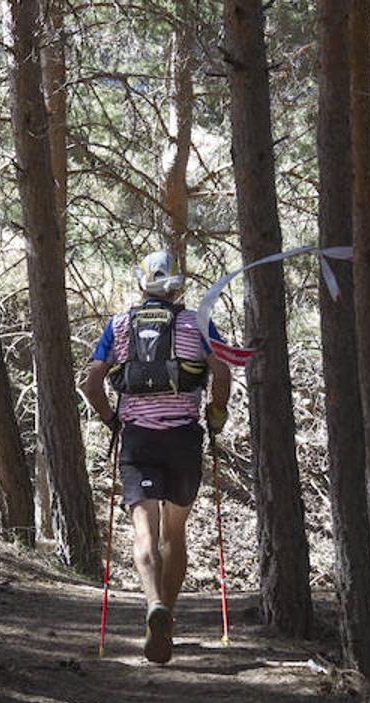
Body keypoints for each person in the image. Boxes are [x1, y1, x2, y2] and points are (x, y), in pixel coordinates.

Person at [82, 249, 230, 664]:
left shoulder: (119, 325)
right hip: (183, 439)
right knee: (174, 533)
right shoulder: (195, 323)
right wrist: (216, 415)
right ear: (175, 286)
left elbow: (92, 381)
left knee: (144, 532)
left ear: (142, 283)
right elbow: (221, 373)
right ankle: (171, 612)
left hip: (138, 441)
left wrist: (111, 419)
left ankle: (153, 606)